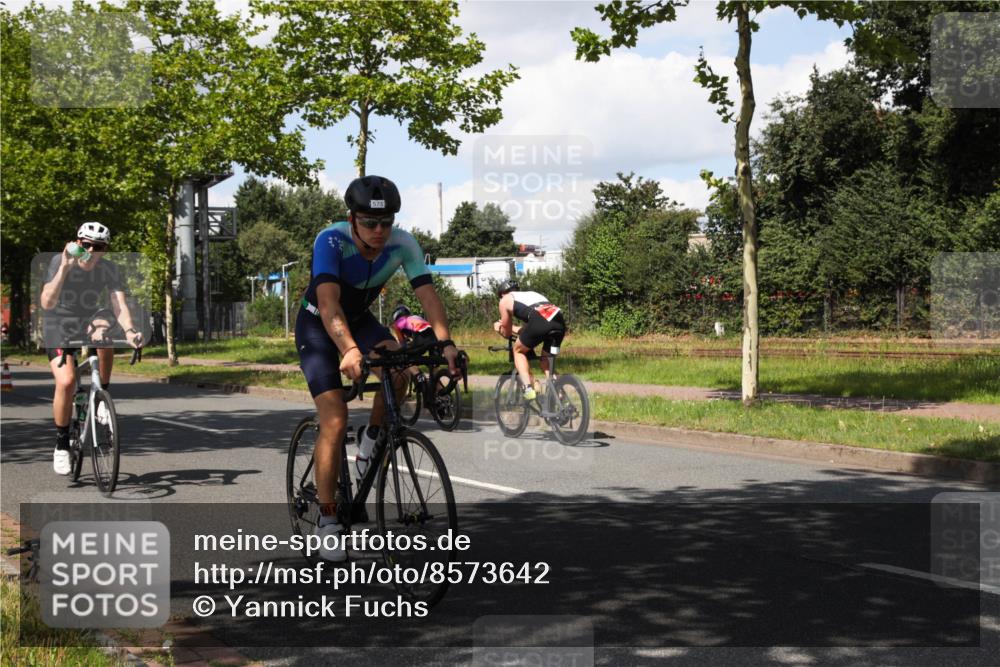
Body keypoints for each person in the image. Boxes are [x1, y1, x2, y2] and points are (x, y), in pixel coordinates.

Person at [295, 175, 460, 562]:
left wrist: (446, 343)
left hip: (360, 319)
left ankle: (370, 443)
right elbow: (329, 303)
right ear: (351, 219)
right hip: (319, 324)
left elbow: (428, 295)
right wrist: (350, 350)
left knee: (400, 370)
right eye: (370, 223)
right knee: (334, 419)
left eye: (386, 222)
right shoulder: (330, 241)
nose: (379, 231)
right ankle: (328, 519)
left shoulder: (403, 244)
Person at [39, 222, 143, 475]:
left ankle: (101, 398)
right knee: (66, 382)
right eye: (85, 245)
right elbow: (46, 302)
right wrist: (64, 267)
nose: (91, 250)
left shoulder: (109, 269)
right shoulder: (58, 262)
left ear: (104, 251)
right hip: (59, 321)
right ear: (77, 243)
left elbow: (118, 305)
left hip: (88, 318)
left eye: (97, 247)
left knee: (104, 332)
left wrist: (130, 331)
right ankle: (62, 443)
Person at [493, 279, 566, 401]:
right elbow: (536, 325)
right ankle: (560, 396)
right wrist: (517, 329)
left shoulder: (504, 300)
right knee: (546, 363)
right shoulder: (533, 294)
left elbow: (506, 332)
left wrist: (499, 328)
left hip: (540, 321)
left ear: (501, 294)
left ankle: (528, 389)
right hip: (559, 324)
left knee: (518, 351)